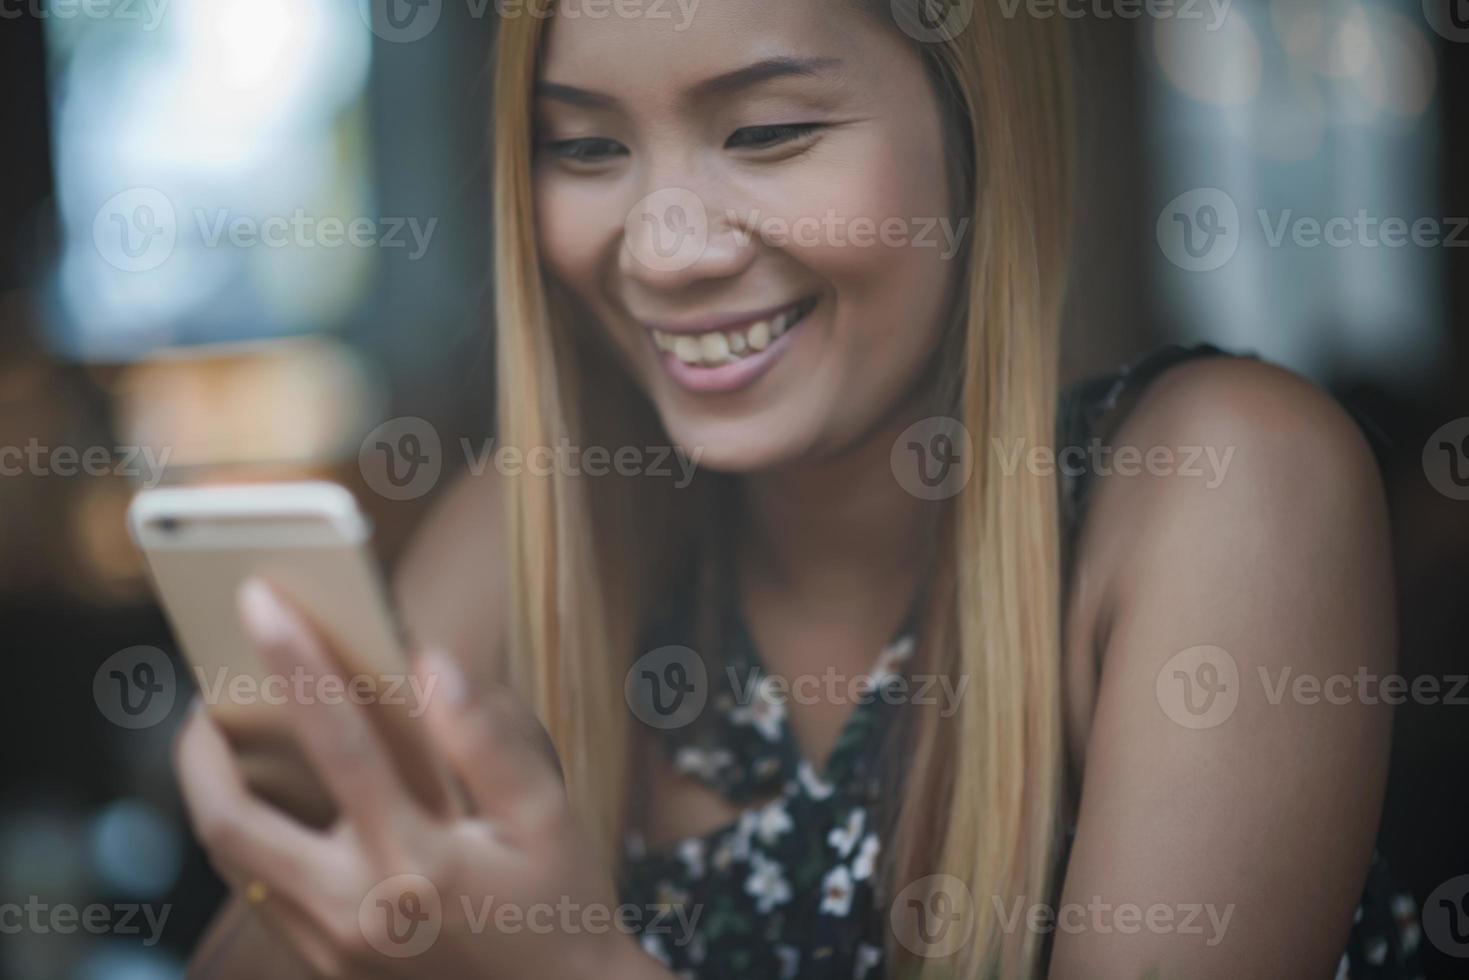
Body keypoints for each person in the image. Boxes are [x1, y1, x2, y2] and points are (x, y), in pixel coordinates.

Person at [174, 2, 1420, 977]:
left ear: (976, 126)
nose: (663, 248)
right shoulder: (531, 523)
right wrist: (305, 859)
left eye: (767, 132)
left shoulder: (1225, 487)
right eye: (584, 147)